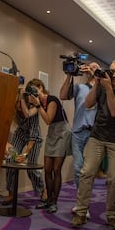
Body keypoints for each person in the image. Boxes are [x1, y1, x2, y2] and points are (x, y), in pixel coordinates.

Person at [70, 58, 115, 230]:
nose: (113, 75)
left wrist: (108, 88)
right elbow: (89, 104)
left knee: (114, 179)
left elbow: (114, 112)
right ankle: (81, 212)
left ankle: (112, 215)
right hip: (97, 136)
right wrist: (97, 84)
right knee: (86, 172)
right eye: (112, 71)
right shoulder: (103, 84)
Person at [26, 78, 69, 214]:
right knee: (47, 169)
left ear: (40, 87)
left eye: (34, 89)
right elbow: (27, 114)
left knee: (56, 169)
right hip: (52, 134)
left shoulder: (52, 100)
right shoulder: (38, 102)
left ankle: (54, 202)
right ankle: (47, 199)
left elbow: (48, 120)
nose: (34, 93)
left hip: (62, 132)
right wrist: (24, 98)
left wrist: (38, 105)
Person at [1, 87, 46, 205]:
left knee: (32, 165)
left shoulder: (32, 110)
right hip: (20, 134)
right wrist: (6, 144)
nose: (18, 107)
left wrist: (25, 153)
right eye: (16, 104)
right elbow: (4, 126)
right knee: (10, 160)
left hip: (34, 136)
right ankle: (11, 193)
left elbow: (33, 135)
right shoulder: (13, 110)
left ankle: (42, 190)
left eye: (20, 103)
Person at [59, 62, 100, 189]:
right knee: (78, 168)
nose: (90, 69)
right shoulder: (79, 87)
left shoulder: (102, 88)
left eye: (94, 68)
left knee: (89, 170)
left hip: (94, 134)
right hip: (78, 132)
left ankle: (84, 200)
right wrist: (69, 76)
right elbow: (63, 95)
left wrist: (96, 77)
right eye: (90, 67)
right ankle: (80, 200)